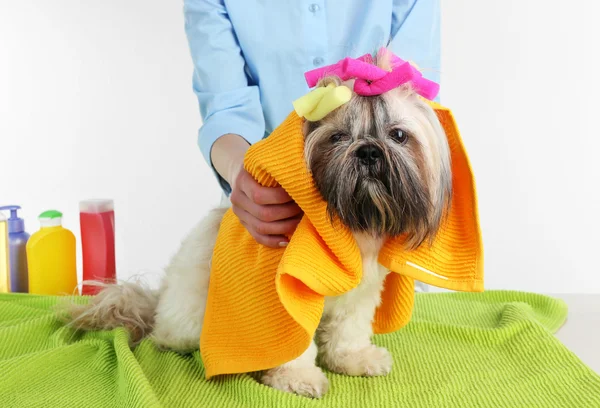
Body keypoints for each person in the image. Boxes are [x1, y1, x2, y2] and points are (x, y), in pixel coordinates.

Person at [183, 1, 440, 258]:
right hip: (274, 218)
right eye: (339, 137)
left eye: (395, 136)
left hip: (391, 241)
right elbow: (225, 110)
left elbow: (417, 94)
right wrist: (241, 174)